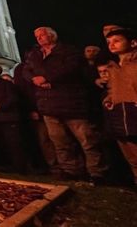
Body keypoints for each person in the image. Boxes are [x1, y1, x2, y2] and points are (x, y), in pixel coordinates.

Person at [21, 26, 107, 183]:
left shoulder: (68, 51)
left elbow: (71, 68)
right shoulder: (35, 55)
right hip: (48, 104)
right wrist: (34, 79)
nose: (39, 38)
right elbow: (26, 71)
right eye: (37, 36)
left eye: (43, 35)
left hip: (71, 103)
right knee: (60, 141)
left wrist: (47, 78)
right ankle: (70, 169)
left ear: (53, 36)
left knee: (87, 140)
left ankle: (97, 171)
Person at [102, 28, 137, 185]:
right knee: (130, 156)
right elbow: (114, 88)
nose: (112, 44)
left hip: (133, 110)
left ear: (133, 43)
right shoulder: (113, 66)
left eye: (117, 41)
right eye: (109, 42)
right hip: (119, 113)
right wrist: (109, 99)